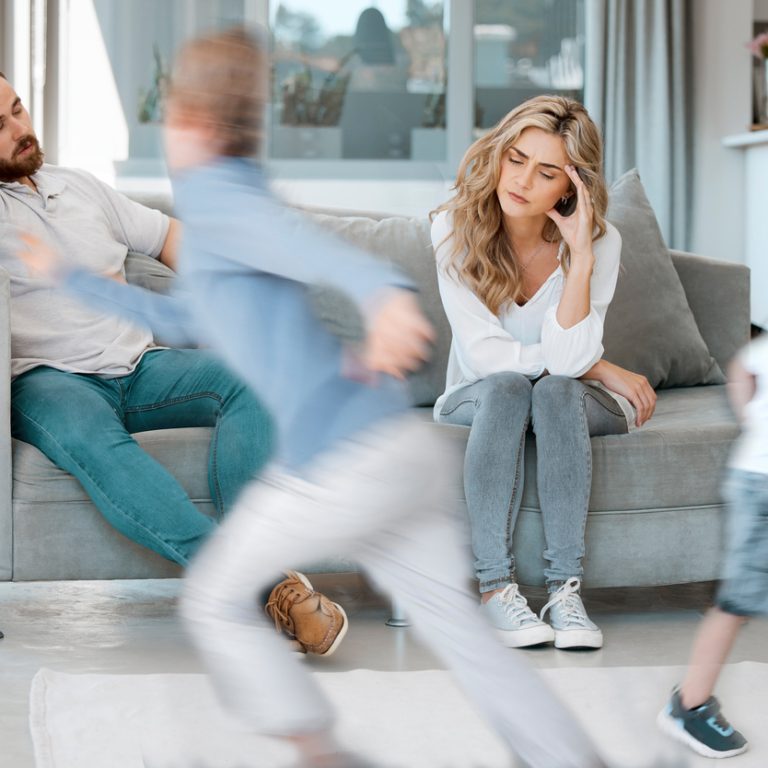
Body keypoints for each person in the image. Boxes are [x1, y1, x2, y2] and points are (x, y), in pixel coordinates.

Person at [18, 28, 631, 768]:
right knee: (461, 634)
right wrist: (75, 281)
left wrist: (384, 296)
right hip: (394, 457)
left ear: (196, 125)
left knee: (213, 602)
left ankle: (319, 751)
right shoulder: (224, 206)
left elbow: (310, 249)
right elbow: (189, 317)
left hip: (336, 469)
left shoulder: (222, 201)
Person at [0, 70, 346, 656]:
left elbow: (169, 238)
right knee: (95, 441)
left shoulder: (79, 187)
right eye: (0, 126)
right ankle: (264, 588)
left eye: (17, 110)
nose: (19, 130)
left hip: (138, 366)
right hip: (49, 380)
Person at [431, 95, 657, 649]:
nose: (523, 180)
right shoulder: (452, 227)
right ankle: (494, 591)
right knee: (510, 386)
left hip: (565, 397)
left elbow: (566, 364)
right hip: (477, 396)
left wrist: (579, 258)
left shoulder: (601, 241)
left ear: (571, 186)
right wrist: (599, 367)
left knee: (555, 389)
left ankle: (565, 594)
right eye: (516, 158)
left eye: (547, 171)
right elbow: (486, 359)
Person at [656, 338, 767, 759]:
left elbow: (742, 367)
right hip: (760, 488)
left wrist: (750, 417)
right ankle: (688, 706)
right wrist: (755, 425)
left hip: (755, 476)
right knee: (736, 603)